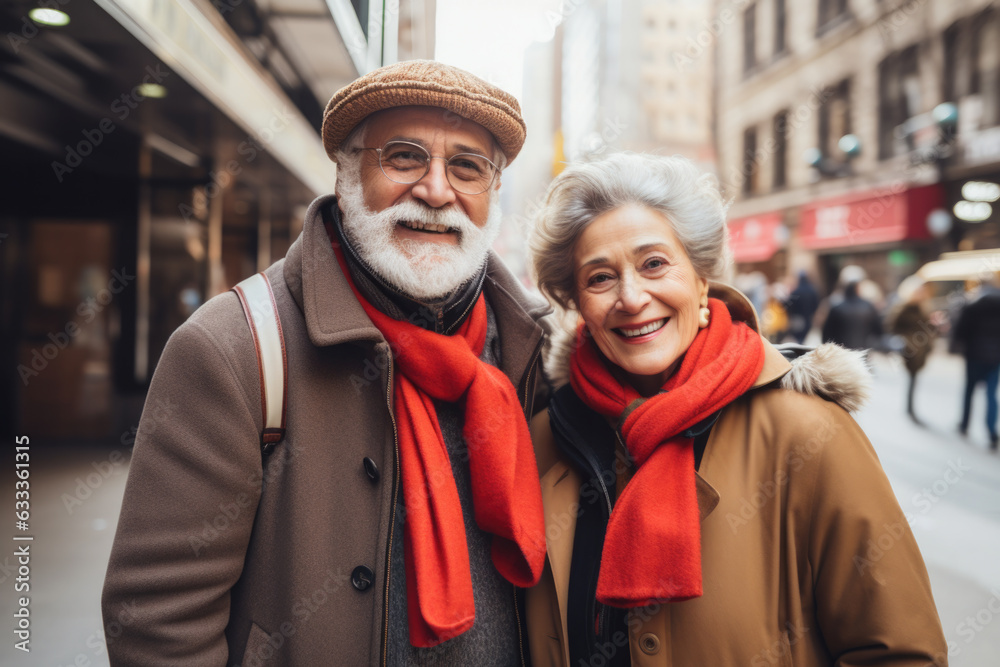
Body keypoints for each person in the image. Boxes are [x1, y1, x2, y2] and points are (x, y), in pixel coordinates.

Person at [102, 61, 551, 664]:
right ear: (345, 176)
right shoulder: (233, 347)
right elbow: (158, 623)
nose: (437, 191)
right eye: (404, 157)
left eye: (467, 167)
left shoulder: (535, 351)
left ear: (492, 193)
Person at [524, 153, 947, 666]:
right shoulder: (547, 438)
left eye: (654, 263)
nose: (632, 297)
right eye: (599, 278)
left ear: (702, 278)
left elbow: (898, 651)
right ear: (577, 304)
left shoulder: (809, 432)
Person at [954, 272, 1000, 450]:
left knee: (969, 390)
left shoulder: (971, 304)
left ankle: (964, 424)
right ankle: (991, 432)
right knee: (991, 394)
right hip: (995, 357)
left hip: (973, 355)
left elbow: (960, 333)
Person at [887, 277, 936, 425]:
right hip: (910, 349)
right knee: (912, 378)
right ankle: (910, 409)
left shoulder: (924, 307)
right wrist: (904, 340)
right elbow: (891, 326)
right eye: (918, 291)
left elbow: (927, 326)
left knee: (914, 378)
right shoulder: (902, 307)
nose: (921, 294)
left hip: (922, 348)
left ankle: (910, 408)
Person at [821, 279, 883, 351]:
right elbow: (878, 331)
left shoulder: (836, 308)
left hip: (842, 352)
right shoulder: (868, 307)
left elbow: (827, 334)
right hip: (862, 351)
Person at [785, 270, 819, 343]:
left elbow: (789, 305)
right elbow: (816, 305)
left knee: (798, 338)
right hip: (808, 318)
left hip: (797, 319)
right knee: (805, 338)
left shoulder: (796, 291)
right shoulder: (812, 291)